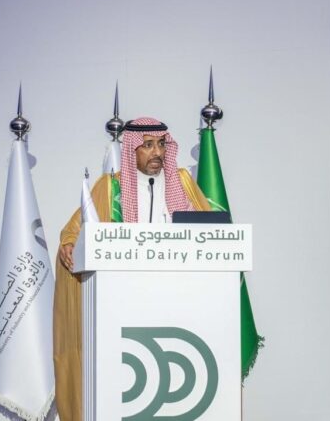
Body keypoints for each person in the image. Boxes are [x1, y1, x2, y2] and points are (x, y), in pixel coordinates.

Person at [52, 116, 211, 421]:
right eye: (148, 145)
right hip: (123, 309)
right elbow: (74, 231)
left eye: (161, 144)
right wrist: (70, 244)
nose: (157, 153)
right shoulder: (110, 188)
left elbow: (211, 231)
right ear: (131, 149)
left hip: (177, 304)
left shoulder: (182, 184)